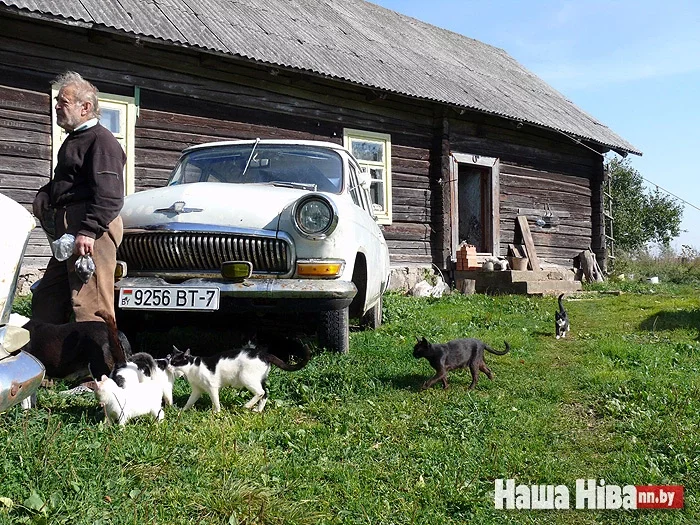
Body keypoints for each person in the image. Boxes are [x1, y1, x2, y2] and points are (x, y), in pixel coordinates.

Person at [32, 71, 126, 324]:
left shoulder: (101, 141)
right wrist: (46, 193)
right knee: (47, 299)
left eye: (63, 102)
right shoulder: (76, 140)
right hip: (70, 231)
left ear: (85, 107)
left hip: (90, 230)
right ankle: (50, 361)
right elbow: (71, 182)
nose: (56, 106)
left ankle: (104, 363)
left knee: (90, 306)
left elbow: (110, 196)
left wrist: (88, 230)